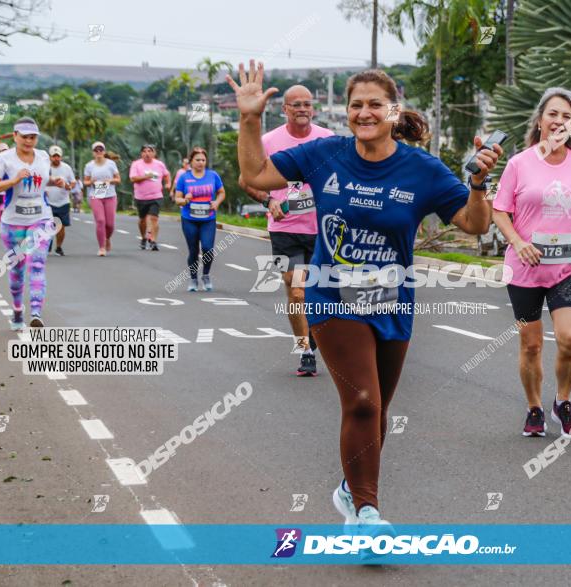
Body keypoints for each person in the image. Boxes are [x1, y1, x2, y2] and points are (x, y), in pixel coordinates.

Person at [230, 61, 500, 529]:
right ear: (347, 112)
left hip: (392, 304)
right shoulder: (325, 154)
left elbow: (476, 225)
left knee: (378, 414)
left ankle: (349, 488)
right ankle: (367, 513)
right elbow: (255, 172)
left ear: (393, 111)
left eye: (375, 104)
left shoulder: (422, 170)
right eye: (356, 105)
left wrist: (478, 183)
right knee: (362, 403)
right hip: (332, 298)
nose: (364, 112)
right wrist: (251, 119)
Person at [491, 88, 571, 439]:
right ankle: (534, 407)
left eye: (567, 116)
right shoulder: (519, 163)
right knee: (531, 344)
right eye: (553, 114)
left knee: (570, 339)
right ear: (540, 120)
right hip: (524, 269)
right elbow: (500, 211)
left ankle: (563, 401)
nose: (559, 121)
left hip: (566, 268)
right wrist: (519, 241)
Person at [245, 85, 334, 376]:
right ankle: (305, 348)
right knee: (296, 292)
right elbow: (246, 180)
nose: (302, 109)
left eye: (307, 104)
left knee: (324, 294)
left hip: (323, 230)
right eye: (295, 104)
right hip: (285, 228)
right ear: (284, 109)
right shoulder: (269, 141)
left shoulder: (328, 140)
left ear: (313, 108)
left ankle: (316, 334)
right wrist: (269, 200)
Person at [0, 117, 66, 329]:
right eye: (25, 137)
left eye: (33, 137)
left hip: (41, 218)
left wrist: (54, 181)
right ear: (15, 136)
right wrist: (13, 181)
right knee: (17, 271)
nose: (29, 141)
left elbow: (41, 179)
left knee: (37, 263)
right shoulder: (4, 159)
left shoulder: (43, 156)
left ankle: (36, 313)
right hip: (13, 222)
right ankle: (18, 310)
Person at [174, 147, 225, 291]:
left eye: (203, 160)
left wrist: (217, 202)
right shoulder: (184, 177)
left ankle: (206, 275)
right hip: (189, 218)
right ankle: (193, 279)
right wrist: (185, 200)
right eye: (197, 160)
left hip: (208, 218)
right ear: (191, 161)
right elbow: (177, 199)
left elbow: (221, 193)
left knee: (208, 248)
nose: (201, 162)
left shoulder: (213, 175)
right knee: (193, 250)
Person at [130, 144, 171, 251]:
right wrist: (146, 177)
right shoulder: (136, 164)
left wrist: (168, 183)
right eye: (144, 151)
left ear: (154, 153)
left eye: (150, 151)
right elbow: (133, 178)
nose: (147, 153)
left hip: (156, 196)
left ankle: (153, 241)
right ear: (141, 153)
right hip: (141, 197)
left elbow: (167, 174)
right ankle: (144, 238)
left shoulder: (159, 164)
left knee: (154, 218)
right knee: (142, 220)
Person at [84, 141, 121, 256]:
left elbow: (118, 179)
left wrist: (109, 181)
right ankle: (101, 247)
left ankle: (107, 238)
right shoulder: (89, 165)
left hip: (110, 195)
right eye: (96, 150)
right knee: (100, 221)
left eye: (101, 150)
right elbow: (85, 182)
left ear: (104, 152)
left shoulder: (110, 164)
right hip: (96, 194)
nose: (99, 152)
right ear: (93, 153)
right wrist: (91, 182)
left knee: (110, 224)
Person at [46, 146, 75, 256]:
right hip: (48, 202)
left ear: (61, 157)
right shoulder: (45, 167)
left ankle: (58, 247)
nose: (56, 158)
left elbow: (73, 182)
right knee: (49, 224)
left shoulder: (66, 168)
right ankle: (48, 243)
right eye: (54, 156)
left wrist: (69, 187)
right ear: (50, 157)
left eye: (58, 156)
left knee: (61, 226)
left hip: (63, 202)